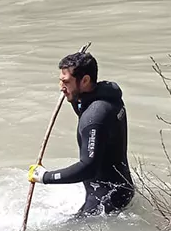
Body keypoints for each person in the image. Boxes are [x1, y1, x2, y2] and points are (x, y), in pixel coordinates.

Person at [27, 51, 135, 217]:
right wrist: (71, 89)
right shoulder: (107, 95)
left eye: (66, 82)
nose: (61, 87)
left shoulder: (95, 117)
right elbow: (82, 106)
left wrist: (45, 177)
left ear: (85, 80)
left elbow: (87, 168)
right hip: (121, 189)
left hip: (107, 202)